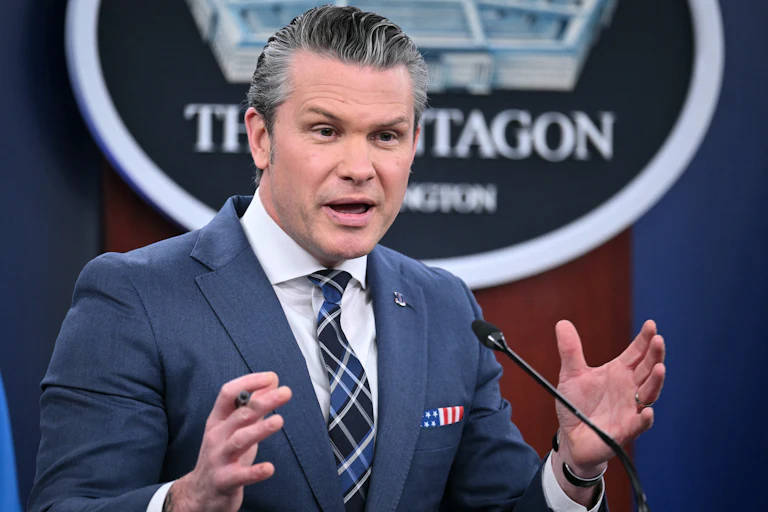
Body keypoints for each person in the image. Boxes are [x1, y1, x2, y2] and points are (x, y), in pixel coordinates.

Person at [29, 5, 666, 512]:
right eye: (325, 130)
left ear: (414, 146)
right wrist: (183, 503)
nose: (359, 168)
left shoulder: (446, 309)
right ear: (261, 137)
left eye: (385, 136)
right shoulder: (135, 297)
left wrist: (574, 469)